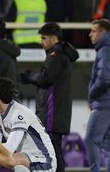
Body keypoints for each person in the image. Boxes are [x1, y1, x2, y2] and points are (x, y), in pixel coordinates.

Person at [20, 23, 79, 172]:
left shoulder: (56, 55)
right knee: (53, 149)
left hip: (52, 113)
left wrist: (30, 76)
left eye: (44, 38)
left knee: (53, 150)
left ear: (53, 38)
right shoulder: (59, 54)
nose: (41, 42)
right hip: (56, 111)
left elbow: (46, 79)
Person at [0, 77, 57, 172]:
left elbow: (10, 148)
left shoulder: (19, 113)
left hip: (43, 160)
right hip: (23, 158)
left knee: (2, 162)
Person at [86, 19, 110, 172]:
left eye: (93, 31)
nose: (90, 35)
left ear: (103, 32)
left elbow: (104, 79)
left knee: (91, 140)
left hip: (105, 102)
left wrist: (91, 94)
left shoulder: (105, 49)